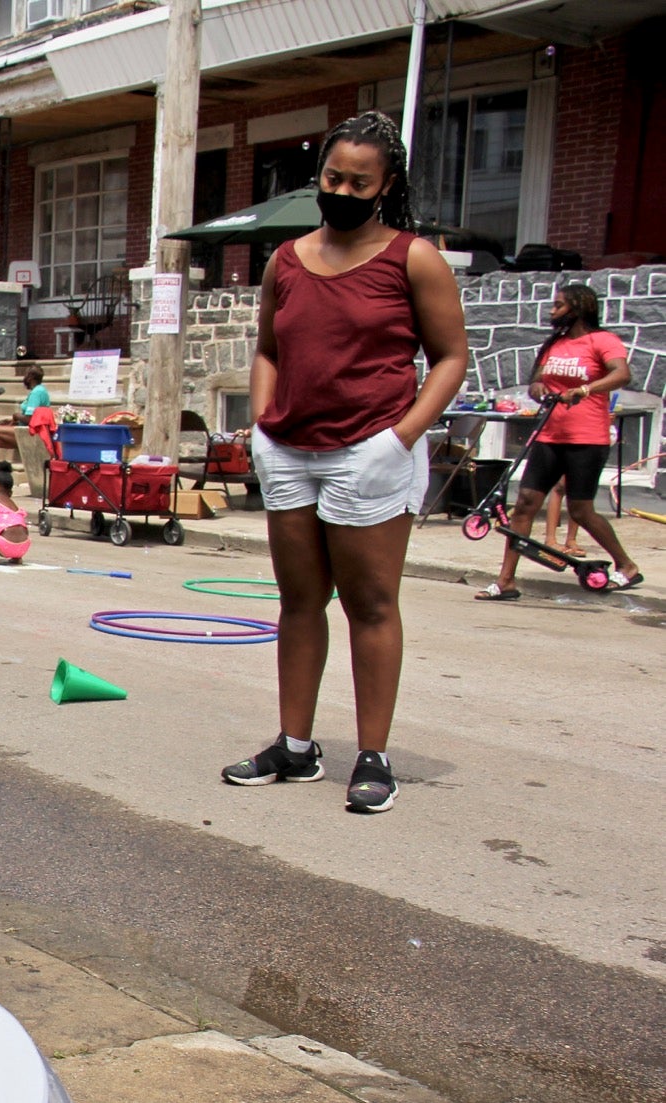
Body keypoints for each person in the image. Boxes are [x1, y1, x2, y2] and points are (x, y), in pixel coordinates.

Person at [222, 110, 469, 816]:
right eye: (333, 176)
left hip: (371, 448)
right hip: (291, 450)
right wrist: (263, 426)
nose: (343, 190)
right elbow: (268, 347)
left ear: (386, 185)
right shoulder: (288, 260)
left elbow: (450, 357)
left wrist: (400, 439)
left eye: (360, 182)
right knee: (300, 601)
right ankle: (294, 746)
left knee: (370, 603)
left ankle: (373, 756)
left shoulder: (413, 258)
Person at [475, 284, 642, 599]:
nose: (552, 311)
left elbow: (622, 374)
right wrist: (536, 387)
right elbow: (537, 379)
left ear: (578, 308)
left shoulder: (603, 340)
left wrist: (585, 389)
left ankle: (626, 565)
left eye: (558, 305)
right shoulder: (555, 344)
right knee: (524, 504)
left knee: (580, 510)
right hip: (549, 435)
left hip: (587, 438)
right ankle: (506, 581)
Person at [0, 364, 52, 481]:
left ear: (31, 378)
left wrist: (17, 416)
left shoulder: (37, 393)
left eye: (26, 375)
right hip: (24, 430)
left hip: (30, 433)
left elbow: (30, 419)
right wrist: (12, 420)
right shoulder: (39, 390)